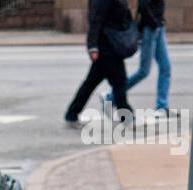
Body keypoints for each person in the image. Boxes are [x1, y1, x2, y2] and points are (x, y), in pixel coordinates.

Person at [65, 0, 137, 128]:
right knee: (119, 81)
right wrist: (92, 46)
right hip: (106, 46)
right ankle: (127, 117)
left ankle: (72, 114)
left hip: (110, 43)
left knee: (91, 82)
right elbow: (96, 19)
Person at [126, 1, 172, 115]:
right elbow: (143, 5)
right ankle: (112, 95)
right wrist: (154, 23)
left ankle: (162, 106)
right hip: (150, 29)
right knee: (144, 71)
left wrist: (159, 22)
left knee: (165, 67)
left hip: (158, 27)